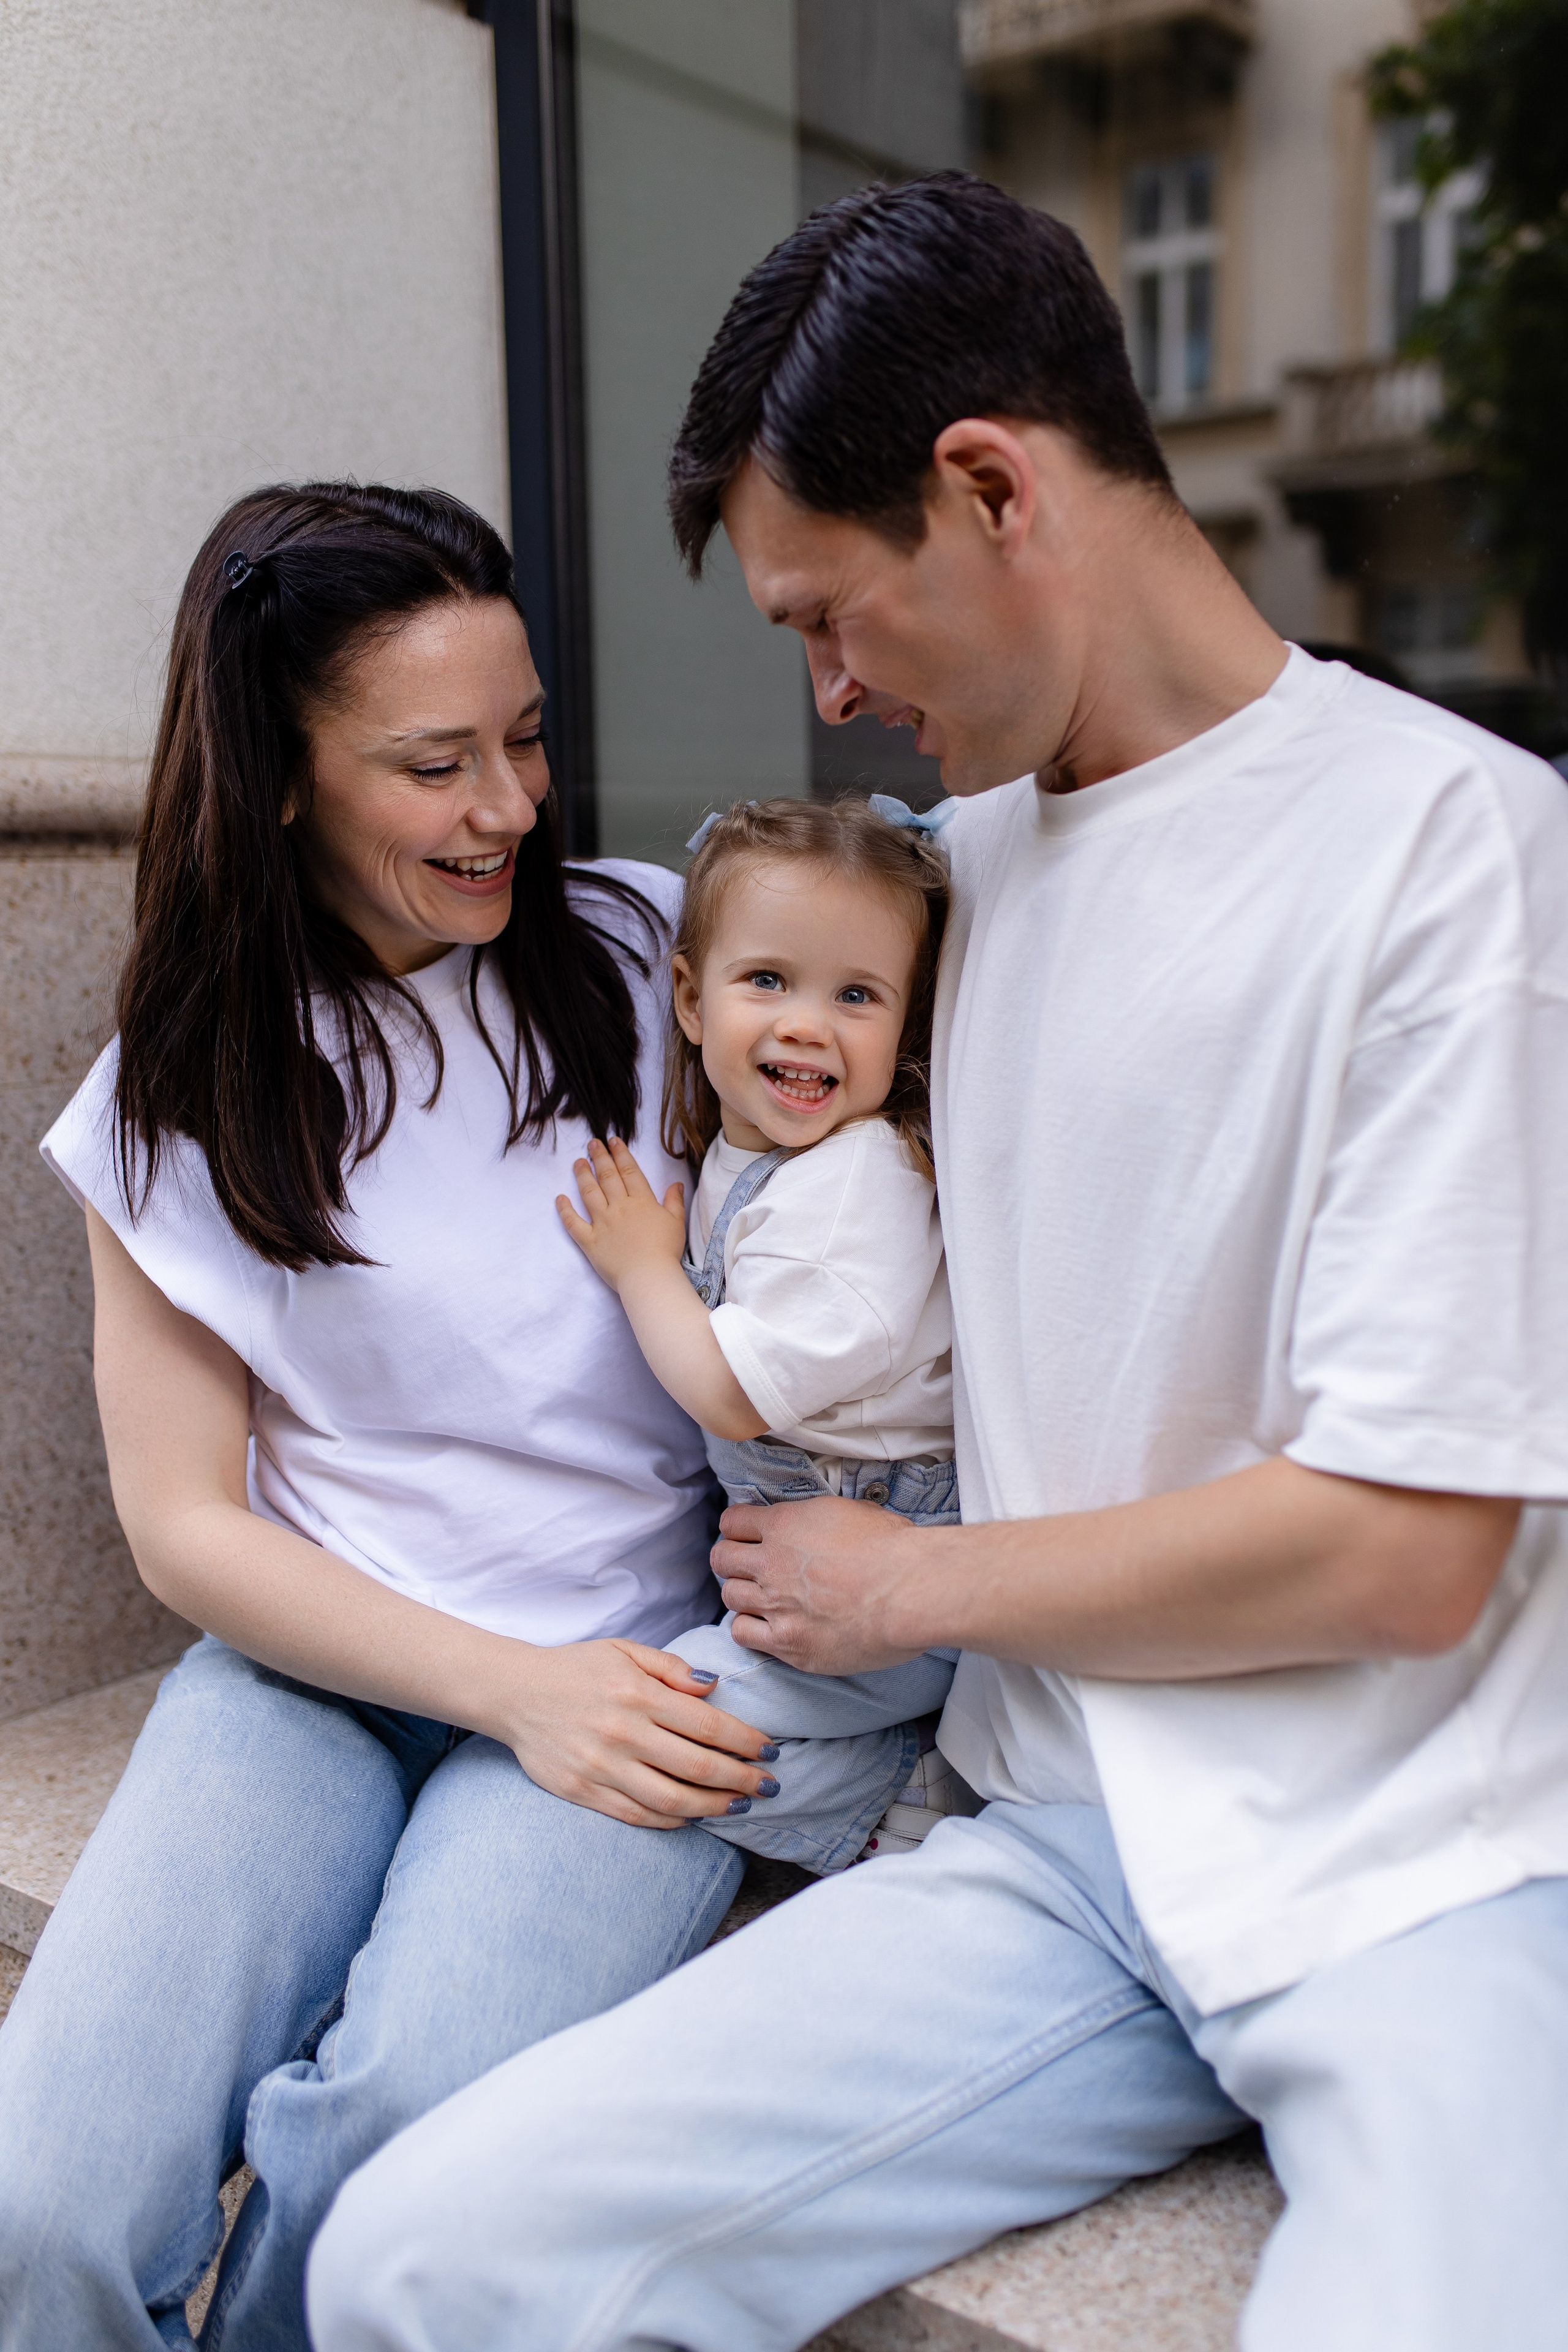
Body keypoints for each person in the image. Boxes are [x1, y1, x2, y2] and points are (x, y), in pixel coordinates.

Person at [307, 179, 1568, 2352]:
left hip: (1418, 1856)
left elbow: (1412, 1552)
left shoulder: (1456, 851)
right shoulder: (940, 893)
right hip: (1049, 1843)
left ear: (989, 488)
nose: (823, 689)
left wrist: (914, 1591)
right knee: (424, 2263)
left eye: (830, 614)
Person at [0, 483, 790, 2351]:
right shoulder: (176, 1097)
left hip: (625, 1680)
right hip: (320, 1674)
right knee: (36, 2206)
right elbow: (184, 1525)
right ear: (281, 778)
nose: (512, 805)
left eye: (528, 739)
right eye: (438, 763)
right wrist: (499, 1685)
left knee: (396, 2147)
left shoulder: (651, 958)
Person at [559, 795, 967, 1871]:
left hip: (881, 1582)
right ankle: (891, 1764)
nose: (806, 1023)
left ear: (906, 1026)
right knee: (639, 1727)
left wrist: (645, 1269)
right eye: (769, 980)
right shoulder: (761, 1156)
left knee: (649, 1726)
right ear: (690, 1000)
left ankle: (895, 1792)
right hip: (803, 1565)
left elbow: (733, 1395)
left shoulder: (852, 1188)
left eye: (858, 995)